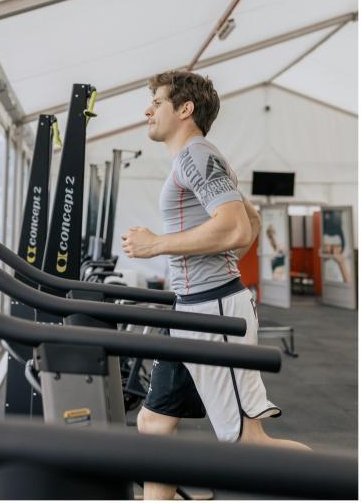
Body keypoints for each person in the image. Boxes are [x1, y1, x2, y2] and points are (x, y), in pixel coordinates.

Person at [121, 70, 310, 501]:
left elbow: (233, 230)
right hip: (192, 308)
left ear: (185, 109)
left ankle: (337, 484)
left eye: (157, 102)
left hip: (215, 313)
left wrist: (156, 246)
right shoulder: (194, 159)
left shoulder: (197, 154)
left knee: (247, 443)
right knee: (154, 425)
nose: (147, 110)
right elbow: (248, 224)